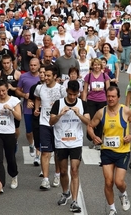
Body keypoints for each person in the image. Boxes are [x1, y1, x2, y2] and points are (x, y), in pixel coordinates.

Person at [87, 86, 131, 215]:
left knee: (119, 182)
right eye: (108, 96)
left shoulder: (125, 111)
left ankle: (123, 194)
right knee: (108, 182)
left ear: (118, 98)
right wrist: (94, 136)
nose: (110, 99)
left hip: (123, 151)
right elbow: (90, 126)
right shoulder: (101, 112)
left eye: (113, 96)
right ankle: (112, 209)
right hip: (107, 151)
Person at [49, 80, 90, 212]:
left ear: (79, 93)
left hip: (76, 142)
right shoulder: (58, 103)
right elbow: (51, 122)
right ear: (66, 91)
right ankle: (65, 192)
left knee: (74, 170)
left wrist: (79, 114)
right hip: (61, 141)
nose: (72, 97)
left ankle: (74, 201)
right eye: (70, 94)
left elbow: (88, 122)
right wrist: (60, 114)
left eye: (75, 94)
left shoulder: (82, 104)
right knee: (63, 171)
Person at [34, 65, 66, 190]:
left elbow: (68, 102)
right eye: (44, 75)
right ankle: (45, 179)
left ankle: (57, 174)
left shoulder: (61, 89)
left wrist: (59, 107)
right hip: (44, 123)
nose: (45, 77)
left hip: (58, 124)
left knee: (58, 152)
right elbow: (37, 98)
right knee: (45, 152)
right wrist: (37, 108)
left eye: (48, 76)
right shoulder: (39, 88)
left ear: (55, 77)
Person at [0, 81, 21, 190]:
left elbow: (19, 117)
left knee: (10, 157)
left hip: (9, 133)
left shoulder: (14, 101)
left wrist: (10, 109)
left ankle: (14, 175)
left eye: (3, 91)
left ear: (7, 89)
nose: (1, 93)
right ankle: (0, 183)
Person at [16, 58, 41, 163]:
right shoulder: (23, 76)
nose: (33, 67)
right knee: (29, 132)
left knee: (39, 132)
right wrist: (24, 95)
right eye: (31, 65)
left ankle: (37, 155)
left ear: (39, 65)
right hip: (28, 107)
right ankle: (31, 144)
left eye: (35, 65)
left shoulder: (43, 76)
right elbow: (17, 91)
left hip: (40, 108)